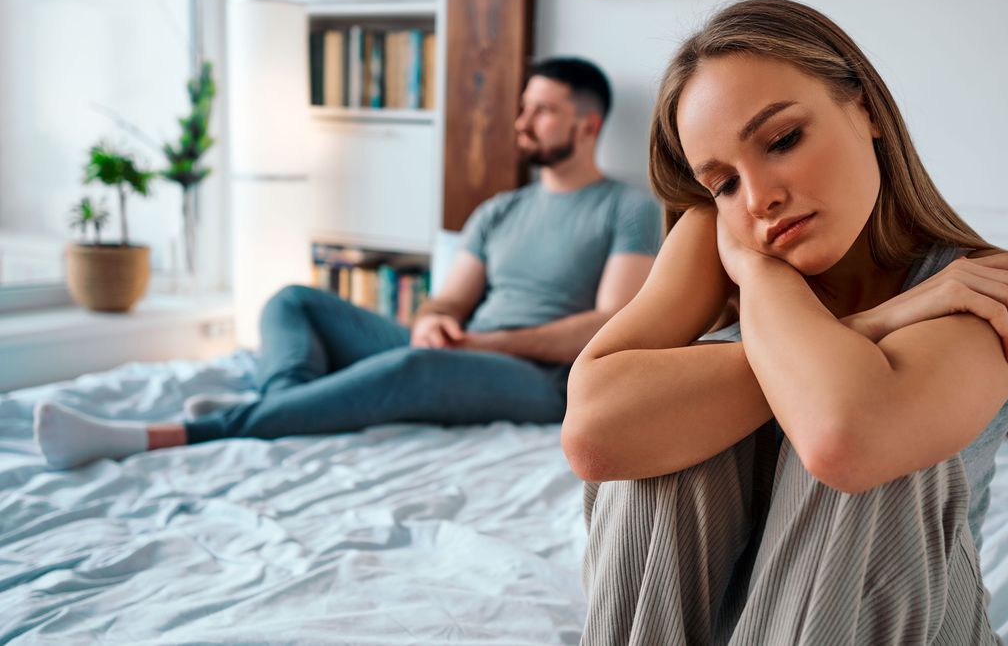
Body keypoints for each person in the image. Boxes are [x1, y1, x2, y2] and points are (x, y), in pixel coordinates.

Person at [561, 0, 1008, 644]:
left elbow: (847, 438)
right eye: (722, 184)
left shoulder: (1000, 289)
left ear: (867, 111)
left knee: (867, 423)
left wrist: (765, 279)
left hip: (906, 624)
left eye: (782, 141)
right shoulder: (729, 238)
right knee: (666, 427)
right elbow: (594, 432)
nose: (759, 198)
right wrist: (869, 320)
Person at [35, 57, 662, 470]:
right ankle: (289, 401)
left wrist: (486, 344)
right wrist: (435, 320)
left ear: (587, 124)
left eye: (542, 111)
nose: (522, 123)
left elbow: (607, 326)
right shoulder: (500, 210)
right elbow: (448, 300)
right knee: (293, 301)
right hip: (465, 346)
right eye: (523, 108)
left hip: (539, 379)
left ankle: (170, 434)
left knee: (413, 367)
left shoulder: (627, 209)